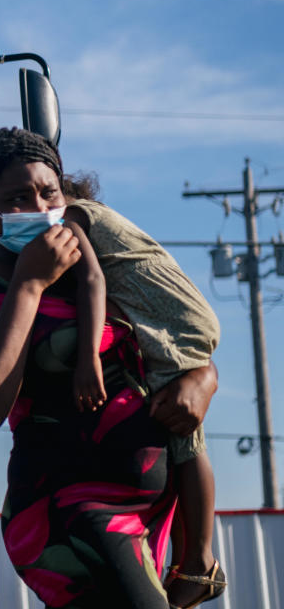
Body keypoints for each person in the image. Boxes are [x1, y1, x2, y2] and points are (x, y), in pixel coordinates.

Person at [0, 128, 218, 608]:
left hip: (148, 514)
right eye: (18, 198)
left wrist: (204, 379)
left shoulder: (96, 266)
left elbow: (168, 346)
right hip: (69, 509)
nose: (40, 208)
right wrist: (28, 284)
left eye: (48, 192)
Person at [57, 176, 226, 608]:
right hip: (179, 314)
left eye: (43, 193)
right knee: (182, 433)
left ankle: (200, 561)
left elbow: (89, 282)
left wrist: (88, 358)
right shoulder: (100, 217)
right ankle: (192, 562)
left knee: (184, 433)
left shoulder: (72, 217)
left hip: (173, 320)